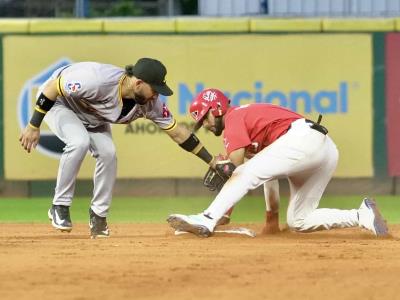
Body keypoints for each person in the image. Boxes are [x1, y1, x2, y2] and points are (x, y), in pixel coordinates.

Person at [19, 58, 216, 238]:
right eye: (154, 89)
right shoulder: (97, 80)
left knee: (108, 154)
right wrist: (33, 125)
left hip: (92, 115)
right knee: (79, 142)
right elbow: (53, 88)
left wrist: (211, 160)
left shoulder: (150, 103)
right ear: (138, 83)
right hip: (59, 103)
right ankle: (59, 206)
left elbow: (178, 133)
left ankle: (99, 216)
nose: (156, 94)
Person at [167, 88, 389, 238]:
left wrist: (222, 165)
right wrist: (271, 218)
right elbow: (263, 172)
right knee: (299, 220)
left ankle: (206, 218)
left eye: (205, 117)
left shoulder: (234, 118)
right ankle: (362, 215)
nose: (204, 124)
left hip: (302, 140)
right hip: (324, 149)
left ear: (216, 109)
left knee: (244, 170)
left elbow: (235, 169)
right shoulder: (249, 129)